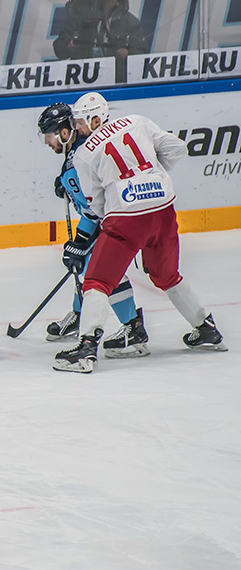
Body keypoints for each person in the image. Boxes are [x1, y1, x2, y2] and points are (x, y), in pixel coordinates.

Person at [53, 92, 228, 373]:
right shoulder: (137, 121)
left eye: (81, 123)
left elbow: (95, 205)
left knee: (97, 281)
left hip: (126, 218)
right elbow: (178, 149)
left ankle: (86, 349)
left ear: (96, 118)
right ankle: (206, 328)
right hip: (163, 208)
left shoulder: (85, 153)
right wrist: (150, 175)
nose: (78, 129)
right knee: (167, 275)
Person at [37, 101, 149, 358]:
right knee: (87, 267)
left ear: (65, 133)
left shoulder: (75, 163)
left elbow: (93, 212)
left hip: (115, 219)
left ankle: (134, 328)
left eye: (50, 135)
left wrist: (79, 241)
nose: (46, 141)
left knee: (101, 270)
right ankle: (80, 315)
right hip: (123, 213)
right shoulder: (81, 151)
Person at [53, 0, 147, 82]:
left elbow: (142, 54)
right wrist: (71, 45)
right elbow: (59, 48)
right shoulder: (80, 17)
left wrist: (127, 54)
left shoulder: (130, 22)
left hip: (116, 81)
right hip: (82, 82)